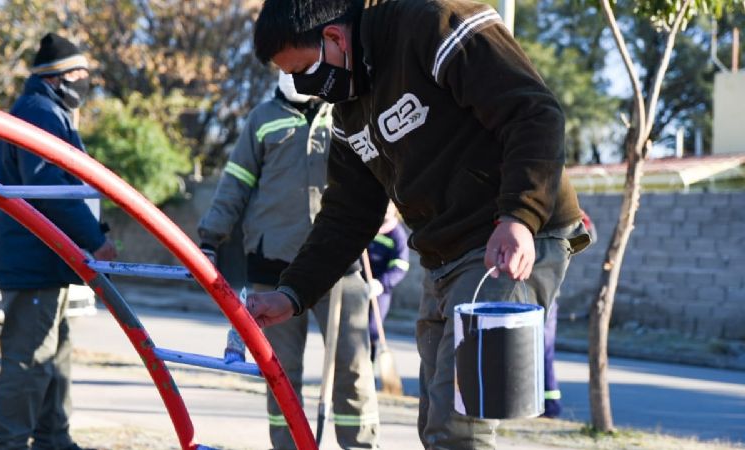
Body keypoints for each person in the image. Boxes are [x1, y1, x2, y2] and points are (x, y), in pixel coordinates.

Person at [246, 1, 592, 448]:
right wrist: (292, 292)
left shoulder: (432, 21)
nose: (304, 88)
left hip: (506, 241)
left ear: (334, 37)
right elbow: (346, 214)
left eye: (305, 72)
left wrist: (519, 215)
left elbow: (533, 113)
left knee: (459, 428)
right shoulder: (349, 108)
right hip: (443, 255)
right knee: (434, 422)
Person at [197, 71, 379, 450]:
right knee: (280, 373)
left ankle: (361, 445)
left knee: (354, 369)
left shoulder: (346, 111)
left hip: (337, 265)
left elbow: (378, 171)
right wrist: (210, 238)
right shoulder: (263, 118)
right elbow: (235, 182)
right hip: (273, 265)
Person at [0, 33, 117, 450]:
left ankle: (53, 438)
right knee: (29, 360)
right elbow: (47, 185)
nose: (84, 82)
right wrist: (94, 240)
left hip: (48, 257)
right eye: (79, 74)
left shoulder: (50, 111)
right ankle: (7, 443)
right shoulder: (39, 112)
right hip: (35, 257)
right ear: (56, 77)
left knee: (55, 355)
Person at [542, 209, 597, 418]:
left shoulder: (557, 201)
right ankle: (543, 404)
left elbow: (589, 232)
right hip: (537, 284)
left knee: (541, 347)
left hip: (545, 287)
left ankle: (549, 405)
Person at [365, 201, 409, 361]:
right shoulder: (368, 226)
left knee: (372, 329)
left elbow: (400, 266)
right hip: (361, 285)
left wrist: (381, 283)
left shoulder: (397, 235)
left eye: (389, 208)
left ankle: (369, 368)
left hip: (380, 289)